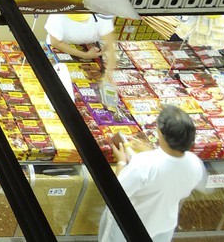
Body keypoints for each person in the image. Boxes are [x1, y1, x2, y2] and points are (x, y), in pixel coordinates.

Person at [97, 105, 204, 242]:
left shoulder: (145, 164)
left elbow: (115, 195)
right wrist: (144, 151)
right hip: (163, 227)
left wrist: (121, 162)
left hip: (128, 228)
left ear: (160, 133)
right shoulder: (195, 163)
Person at [45, 12, 116, 98]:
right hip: (59, 53)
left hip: (91, 58)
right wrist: (84, 55)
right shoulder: (57, 14)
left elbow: (111, 47)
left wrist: (108, 74)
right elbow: (56, 43)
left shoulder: (101, 13)